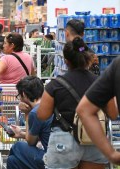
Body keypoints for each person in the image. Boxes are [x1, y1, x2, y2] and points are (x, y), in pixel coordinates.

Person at [37, 37, 108, 169]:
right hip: (94, 138)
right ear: (88, 58)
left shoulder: (56, 85)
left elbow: (42, 115)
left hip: (65, 139)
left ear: (65, 61)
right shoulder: (100, 83)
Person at [76, 57, 120, 165]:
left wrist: (112, 155)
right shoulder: (95, 80)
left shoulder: (57, 84)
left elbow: (84, 109)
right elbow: (113, 114)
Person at [7, 76, 52, 169]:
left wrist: (27, 113)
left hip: (49, 158)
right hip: (59, 154)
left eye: (19, 96)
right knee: (12, 160)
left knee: (17, 146)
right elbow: (36, 137)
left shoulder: (35, 113)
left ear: (24, 94)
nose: (19, 99)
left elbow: (31, 142)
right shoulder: (49, 106)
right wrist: (20, 134)